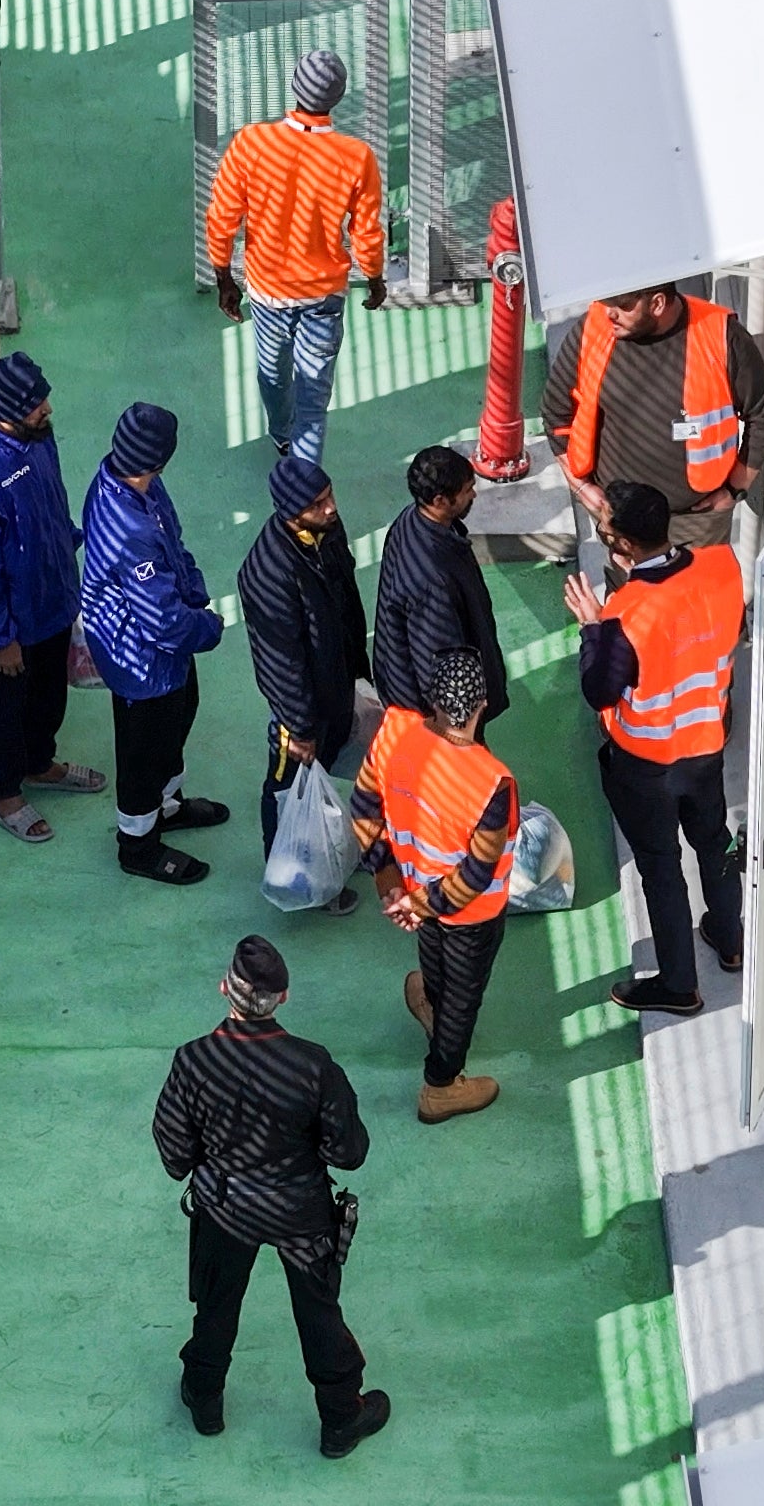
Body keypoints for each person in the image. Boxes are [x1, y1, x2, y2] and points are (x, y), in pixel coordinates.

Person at [152, 935, 391, 1459]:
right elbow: (348, 1152)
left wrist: (207, 1167)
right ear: (283, 996)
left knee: (216, 1304)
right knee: (318, 1312)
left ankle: (206, 1400)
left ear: (225, 990)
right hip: (300, 1212)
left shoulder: (193, 1060)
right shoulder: (313, 1064)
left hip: (224, 1208)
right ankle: (340, 1420)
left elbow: (173, 1148)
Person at [565, 483, 748, 1015]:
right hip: (706, 746)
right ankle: (730, 939)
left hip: (646, 763)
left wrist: (592, 630)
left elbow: (599, 689)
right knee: (713, 844)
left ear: (620, 542)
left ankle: (679, 985)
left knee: (661, 865)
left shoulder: (626, 613)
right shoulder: (719, 567)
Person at [347, 649, 518, 1125]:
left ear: (433, 702)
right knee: (466, 994)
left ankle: (432, 1008)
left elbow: (363, 806)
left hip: (414, 889)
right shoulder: (491, 782)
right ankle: (441, 1086)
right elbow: (477, 873)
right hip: (468, 912)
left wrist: (390, 882)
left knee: (435, 961)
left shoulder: (395, 734)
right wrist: (420, 905)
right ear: (481, 706)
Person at [0, 353, 105, 843]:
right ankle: (4, 793)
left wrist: (72, 552)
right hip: (12, 626)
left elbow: (52, 503)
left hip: (54, 600)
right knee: (6, 709)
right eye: (37, 404)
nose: (48, 409)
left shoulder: (38, 440)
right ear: (8, 409)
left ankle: (40, 765)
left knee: (49, 696)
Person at [204, 49, 387, 462]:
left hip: (268, 294)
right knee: (314, 394)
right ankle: (304, 480)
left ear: (294, 88)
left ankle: (281, 434)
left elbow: (221, 219)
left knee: (272, 373)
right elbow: (367, 233)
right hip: (324, 298)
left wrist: (224, 279)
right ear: (337, 98)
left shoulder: (251, 143)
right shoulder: (357, 157)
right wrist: (375, 280)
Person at [82, 403, 231, 885]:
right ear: (160, 460)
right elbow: (161, 620)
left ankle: (167, 806)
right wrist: (207, 627)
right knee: (142, 752)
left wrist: (195, 590)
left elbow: (175, 543)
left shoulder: (136, 482)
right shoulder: (130, 525)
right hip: (140, 659)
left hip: (164, 655)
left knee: (178, 719)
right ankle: (138, 845)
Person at [544, 281, 764, 547]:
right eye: (607, 302)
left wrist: (733, 490)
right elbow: (556, 415)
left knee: (696, 587)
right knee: (626, 587)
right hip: (619, 519)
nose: (609, 313)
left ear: (657, 303)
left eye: (623, 305)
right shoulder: (593, 329)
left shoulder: (722, 335)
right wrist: (581, 487)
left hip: (695, 523)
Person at [237, 454, 372, 912]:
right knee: (286, 788)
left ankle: (327, 859)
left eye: (329, 494)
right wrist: (300, 727)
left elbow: (346, 601)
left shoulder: (325, 534)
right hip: (300, 714)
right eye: (319, 503)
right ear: (292, 511)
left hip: (335, 687)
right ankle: (291, 870)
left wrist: (358, 669)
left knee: (329, 774)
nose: (331, 508)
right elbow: (280, 658)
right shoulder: (269, 572)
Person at [372, 445, 508, 732]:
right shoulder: (433, 580)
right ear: (440, 500)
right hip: (436, 717)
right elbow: (438, 660)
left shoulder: (409, 521)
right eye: (467, 489)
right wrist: (459, 728)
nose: (473, 494)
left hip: (401, 685)